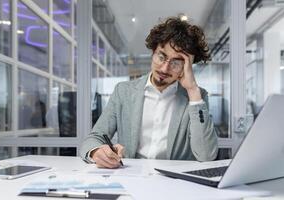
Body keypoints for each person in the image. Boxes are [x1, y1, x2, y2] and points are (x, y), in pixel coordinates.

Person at [80, 16, 218, 168]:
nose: (165, 68)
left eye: (176, 62)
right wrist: (96, 151)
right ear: (153, 52)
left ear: (188, 67)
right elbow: (94, 138)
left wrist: (192, 90)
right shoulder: (124, 92)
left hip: (175, 183)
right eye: (162, 56)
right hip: (131, 177)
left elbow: (206, 155)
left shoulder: (196, 97)